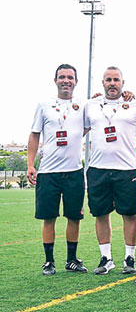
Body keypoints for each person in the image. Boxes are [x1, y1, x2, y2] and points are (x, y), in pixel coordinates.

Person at [83, 67, 136, 275]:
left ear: (123, 82)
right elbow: (78, 130)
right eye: (108, 80)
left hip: (126, 168)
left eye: (116, 80)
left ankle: (130, 258)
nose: (112, 83)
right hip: (97, 168)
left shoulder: (135, 105)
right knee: (101, 214)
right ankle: (106, 258)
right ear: (102, 83)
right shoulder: (91, 105)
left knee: (129, 214)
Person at [27, 64, 87, 275]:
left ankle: (71, 259)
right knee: (48, 217)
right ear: (55, 81)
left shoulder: (83, 105)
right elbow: (35, 134)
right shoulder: (44, 105)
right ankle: (49, 261)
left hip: (74, 171)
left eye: (70, 77)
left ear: (76, 82)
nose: (66, 81)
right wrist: (30, 164)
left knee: (74, 217)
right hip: (48, 172)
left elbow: (90, 124)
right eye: (62, 77)